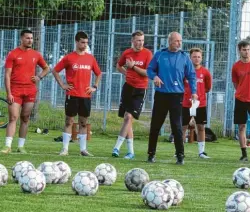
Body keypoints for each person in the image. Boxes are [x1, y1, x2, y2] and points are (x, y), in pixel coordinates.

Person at [146, 32, 197, 165]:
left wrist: (194, 92)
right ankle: (151, 154)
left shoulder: (184, 57)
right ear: (169, 42)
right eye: (176, 41)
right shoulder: (160, 54)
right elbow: (150, 70)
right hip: (161, 95)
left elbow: (191, 75)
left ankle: (180, 155)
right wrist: (155, 77)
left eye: (180, 41)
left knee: (177, 126)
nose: (179, 43)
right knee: (156, 125)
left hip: (176, 95)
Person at [0, 29, 50, 154]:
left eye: (31, 38)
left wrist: (39, 77)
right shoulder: (13, 54)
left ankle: (21, 146)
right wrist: (9, 93)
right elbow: (7, 75)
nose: (30, 40)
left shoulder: (36, 54)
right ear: (21, 39)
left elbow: (46, 68)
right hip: (15, 90)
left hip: (30, 91)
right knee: (13, 117)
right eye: (27, 38)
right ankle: (7, 146)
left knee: (25, 118)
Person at [53, 31, 102, 156]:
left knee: (83, 122)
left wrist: (94, 86)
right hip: (72, 94)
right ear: (76, 42)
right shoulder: (69, 57)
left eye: (86, 42)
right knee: (69, 121)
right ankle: (65, 149)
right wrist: (63, 85)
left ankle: (83, 149)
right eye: (82, 42)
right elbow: (55, 71)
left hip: (85, 95)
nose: (85, 45)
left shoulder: (90, 58)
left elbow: (99, 73)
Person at [111, 30, 153, 160]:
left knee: (129, 117)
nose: (140, 43)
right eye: (138, 40)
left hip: (140, 89)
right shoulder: (127, 53)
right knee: (127, 119)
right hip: (128, 88)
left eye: (142, 40)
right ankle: (131, 152)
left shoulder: (147, 54)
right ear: (132, 41)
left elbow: (148, 73)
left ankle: (116, 147)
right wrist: (127, 73)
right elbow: (118, 65)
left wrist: (133, 67)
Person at [181, 47, 212, 158]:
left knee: (201, 127)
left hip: (201, 104)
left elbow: (208, 88)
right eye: (194, 56)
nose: (197, 59)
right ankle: (180, 151)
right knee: (183, 127)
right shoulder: (185, 71)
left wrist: (199, 96)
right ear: (190, 58)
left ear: (202, 58)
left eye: (199, 57)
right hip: (186, 103)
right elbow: (181, 86)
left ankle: (201, 152)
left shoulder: (205, 72)